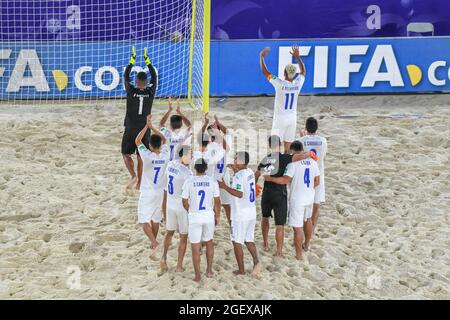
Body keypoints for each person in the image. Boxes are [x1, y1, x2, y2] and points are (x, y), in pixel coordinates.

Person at [255, 135, 310, 257]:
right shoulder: (285, 158)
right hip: (280, 193)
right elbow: (300, 156)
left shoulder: (266, 159)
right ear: (280, 144)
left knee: (265, 218)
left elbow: (257, 173)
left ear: (269, 146)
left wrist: (254, 186)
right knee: (280, 225)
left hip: (267, 192)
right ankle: (279, 251)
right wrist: (309, 154)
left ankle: (265, 243)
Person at [264, 141, 320, 259]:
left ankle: (298, 255)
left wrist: (271, 179)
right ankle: (306, 244)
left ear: (292, 151)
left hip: (298, 199)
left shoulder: (292, 164)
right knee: (308, 220)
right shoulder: (312, 161)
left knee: (297, 228)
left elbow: (284, 181)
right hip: (310, 196)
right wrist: (308, 189)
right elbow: (317, 181)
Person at [218, 152, 261, 277]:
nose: (234, 161)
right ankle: (256, 262)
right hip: (251, 212)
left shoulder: (238, 176)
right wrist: (235, 170)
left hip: (240, 214)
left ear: (241, 162)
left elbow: (239, 193)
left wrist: (224, 186)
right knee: (248, 240)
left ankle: (241, 270)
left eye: (236, 159)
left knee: (237, 241)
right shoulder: (250, 172)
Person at [122, 47, 158, 190]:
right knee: (141, 156)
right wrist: (147, 61)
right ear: (146, 81)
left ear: (136, 81)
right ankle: (140, 182)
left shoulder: (131, 90)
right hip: (145, 128)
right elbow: (154, 76)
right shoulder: (150, 91)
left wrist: (132, 60)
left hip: (131, 127)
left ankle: (133, 175)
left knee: (126, 154)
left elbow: (125, 76)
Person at [259, 45, 306, 152]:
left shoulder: (279, 83)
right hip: (292, 118)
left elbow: (266, 73)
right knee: (288, 148)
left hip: (280, 118)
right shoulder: (297, 83)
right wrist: (298, 57)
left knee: (275, 148)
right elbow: (303, 72)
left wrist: (261, 57)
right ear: (294, 75)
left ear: (284, 73)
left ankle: (277, 166)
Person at [135, 115, 170, 256]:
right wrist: (153, 128)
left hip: (147, 192)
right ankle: (154, 242)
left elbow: (137, 140)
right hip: (159, 192)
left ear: (150, 145)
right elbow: (165, 139)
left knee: (144, 221)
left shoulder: (147, 156)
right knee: (155, 219)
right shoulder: (166, 155)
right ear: (160, 145)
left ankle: (154, 242)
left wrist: (146, 126)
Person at [182, 159, 221, 282]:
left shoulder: (189, 181)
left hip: (195, 216)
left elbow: (184, 201)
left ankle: (197, 275)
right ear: (206, 169)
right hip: (208, 216)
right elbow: (217, 201)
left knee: (195, 246)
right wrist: (217, 215)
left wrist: (190, 210)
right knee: (209, 242)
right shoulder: (212, 181)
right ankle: (209, 270)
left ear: (195, 168)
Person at [160, 145, 193, 273]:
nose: (191, 157)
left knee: (169, 233)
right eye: (190, 154)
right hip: (181, 207)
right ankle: (179, 265)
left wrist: (163, 210)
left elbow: (165, 189)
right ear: (183, 156)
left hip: (170, 204)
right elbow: (189, 196)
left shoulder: (170, 165)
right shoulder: (187, 173)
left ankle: (163, 256)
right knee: (183, 237)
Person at [299, 117, 327, 234]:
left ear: (306, 128)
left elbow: (298, 154)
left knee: (304, 206)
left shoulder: (301, 140)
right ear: (317, 128)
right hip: (318, 175)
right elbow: (323, 156)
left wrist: (302, 136)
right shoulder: (323, 140)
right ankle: (312, 231)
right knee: (316, 205)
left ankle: (305, 229)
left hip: (305, 175)